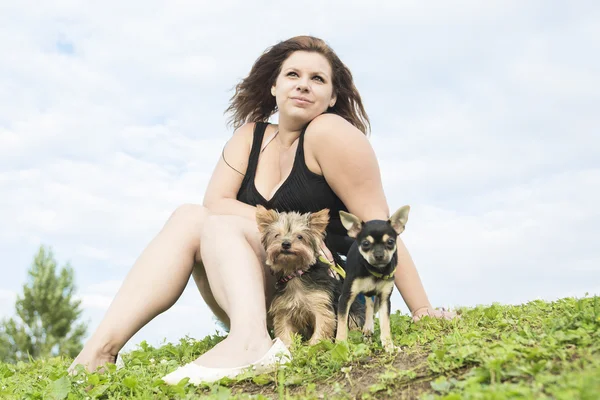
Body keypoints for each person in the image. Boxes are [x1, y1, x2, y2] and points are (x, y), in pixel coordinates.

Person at [69, 35, 456, 382]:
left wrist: (420, 309)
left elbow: (380, 230)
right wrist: (267, 222)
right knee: (190, 216)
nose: (303, 84)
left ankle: (250, 342)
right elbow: (213, 203)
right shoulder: (250, 136)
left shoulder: (331, 134)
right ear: (274, 85)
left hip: (323, 292)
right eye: (293, 75)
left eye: (318, 79)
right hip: (267, 294)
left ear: (332, 98)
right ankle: (98, 353)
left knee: (218, 223)